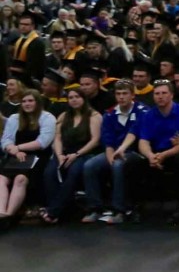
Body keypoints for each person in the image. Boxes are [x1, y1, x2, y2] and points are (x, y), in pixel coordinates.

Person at [84, 80, 147, 224]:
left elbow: (135, 132)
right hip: (114, 151)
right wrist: (109, 156)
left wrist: (118, 154)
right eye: (118, 94)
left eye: (125, 93)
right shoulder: (110, 114)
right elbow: (108, 139)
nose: (121, 97)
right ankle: (95, 208)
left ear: (133, 95)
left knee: (118, 165)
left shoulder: (142, 111)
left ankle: (120, 210)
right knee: (90, 165)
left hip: (135, 152)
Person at [137, 80, 179, 223]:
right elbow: (143, 141)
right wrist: (150, 156)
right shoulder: (149, 115)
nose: (160, 96)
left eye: (164, 93)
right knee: (134, 163)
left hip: (176, 152)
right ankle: (137, 207)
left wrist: (163, 156)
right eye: (157, 93)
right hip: (156, 152)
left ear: (171, 95)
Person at [40, 87, 102, 223]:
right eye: (71, 98)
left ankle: (53, 211)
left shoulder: (94, 115)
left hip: (84, 152)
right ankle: (61, 208)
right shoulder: (63, 116)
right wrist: (59, 154)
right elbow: (57, 137)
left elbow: (95, 140)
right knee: (49, 173)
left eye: (77, 97)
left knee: (73, 173)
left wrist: (77, 154)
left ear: (84, 99)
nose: (74, 100)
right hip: (64, 152)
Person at [0, 93, 55, 222]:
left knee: (20, 179)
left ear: (38, 102)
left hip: (39, 156)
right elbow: (6, 140)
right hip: (15, 156)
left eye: (30, 100)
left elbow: (43, 142)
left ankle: (9, 215)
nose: (27, 104)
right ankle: (1, 212)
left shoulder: (47, 118)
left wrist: (19, 148)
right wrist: (13, 150)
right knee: (1, 178)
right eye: (24, 101)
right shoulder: (15, 118)